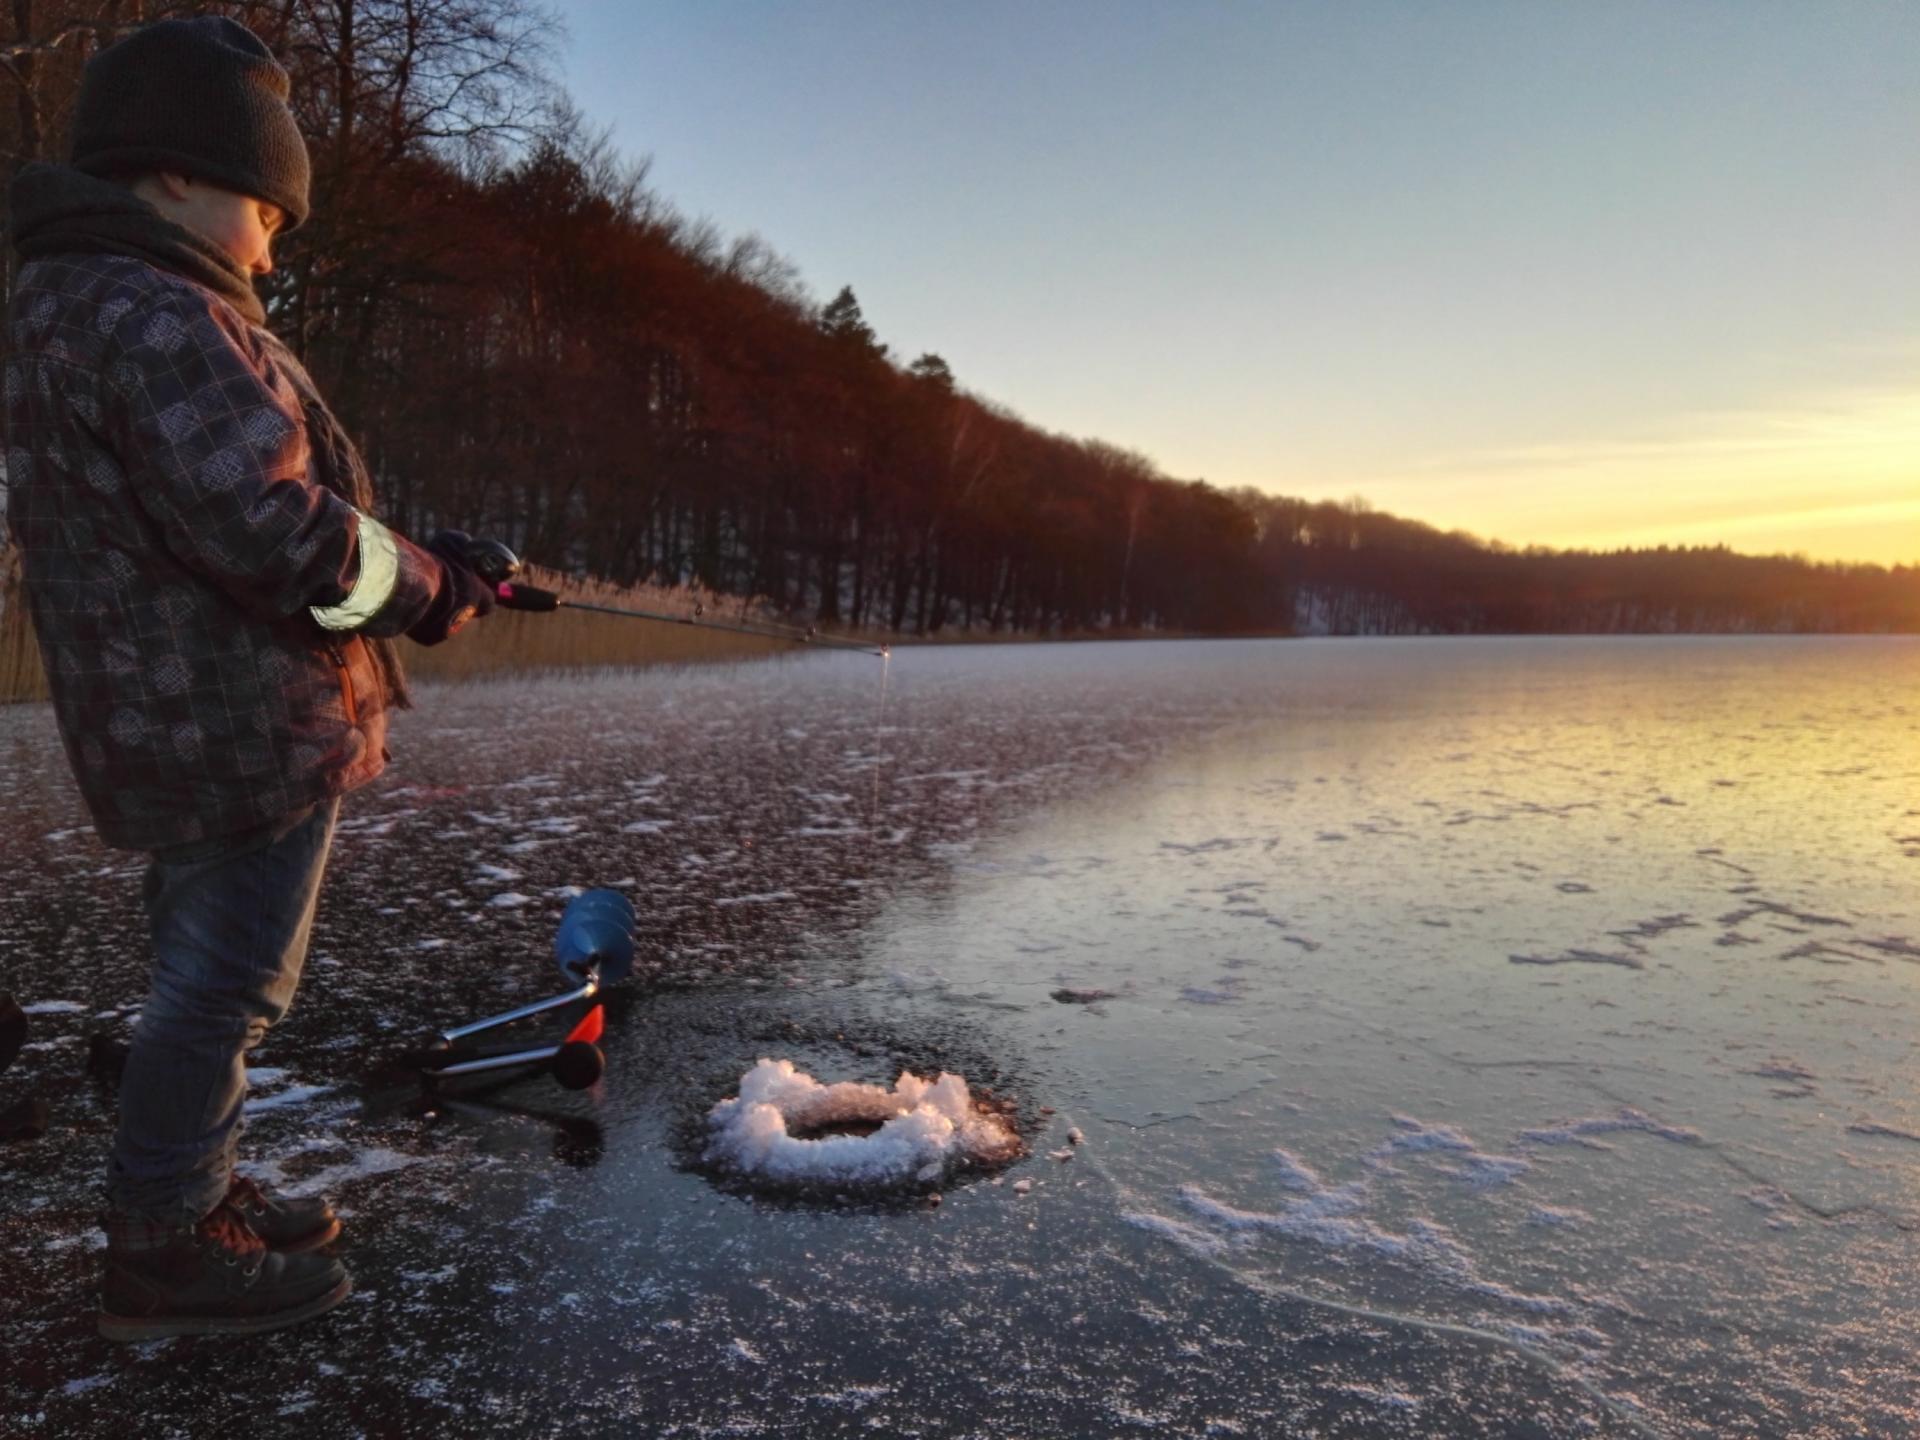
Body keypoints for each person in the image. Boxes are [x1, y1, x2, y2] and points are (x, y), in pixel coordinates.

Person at [3, 16, 498, 1341]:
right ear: (172, 175)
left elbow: (252, 504)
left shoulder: (96, 299)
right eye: (264, 208)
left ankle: (195, 1182)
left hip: (185, 719)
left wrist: (421, 561)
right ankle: (165, 1236)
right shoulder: (154, 315)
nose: (276, 243)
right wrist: (424, 588)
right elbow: (275, 535)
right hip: (239, 725)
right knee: (225, 988)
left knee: (203, 967)